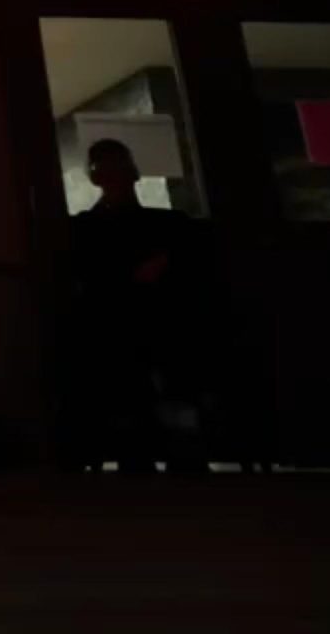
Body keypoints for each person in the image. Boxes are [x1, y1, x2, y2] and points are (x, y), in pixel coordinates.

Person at [64, 138, 220, 471]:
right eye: (110, 167)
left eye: (117, 167)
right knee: (153, 376)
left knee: (149, 376)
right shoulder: (96, 229)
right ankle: (169, 450)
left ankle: (149, 450)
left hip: (138, 325)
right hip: (138, 325)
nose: (117, 175)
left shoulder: (91, 229)